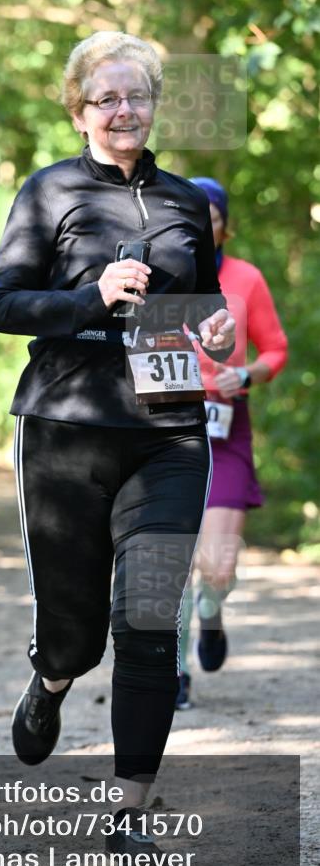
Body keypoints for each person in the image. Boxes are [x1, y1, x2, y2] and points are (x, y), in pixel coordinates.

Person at [0, 30, 235, 866]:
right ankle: (50, 678)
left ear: (155, 101)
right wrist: (86, 295)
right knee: (76, 632)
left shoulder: (179, 203)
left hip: (166, 432)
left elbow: (198, 301)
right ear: (78, 108)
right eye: (105, 98)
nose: (122, 110)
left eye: (136, 96)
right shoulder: (47, 192)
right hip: (65, 428)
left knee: (148, 622)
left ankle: (129, 813)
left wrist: (212, 324)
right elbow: (1, 305)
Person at [175, 178, 288, 710]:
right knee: (168, 556)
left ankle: (211, 612)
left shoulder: (246, 278)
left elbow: (276, 350)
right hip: (166, 426)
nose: (201, 222)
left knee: (216, 565)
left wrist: (242, 376)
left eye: (210, 213)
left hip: (226, 430)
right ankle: (171, 674)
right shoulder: (159, 277)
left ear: (223, 223)